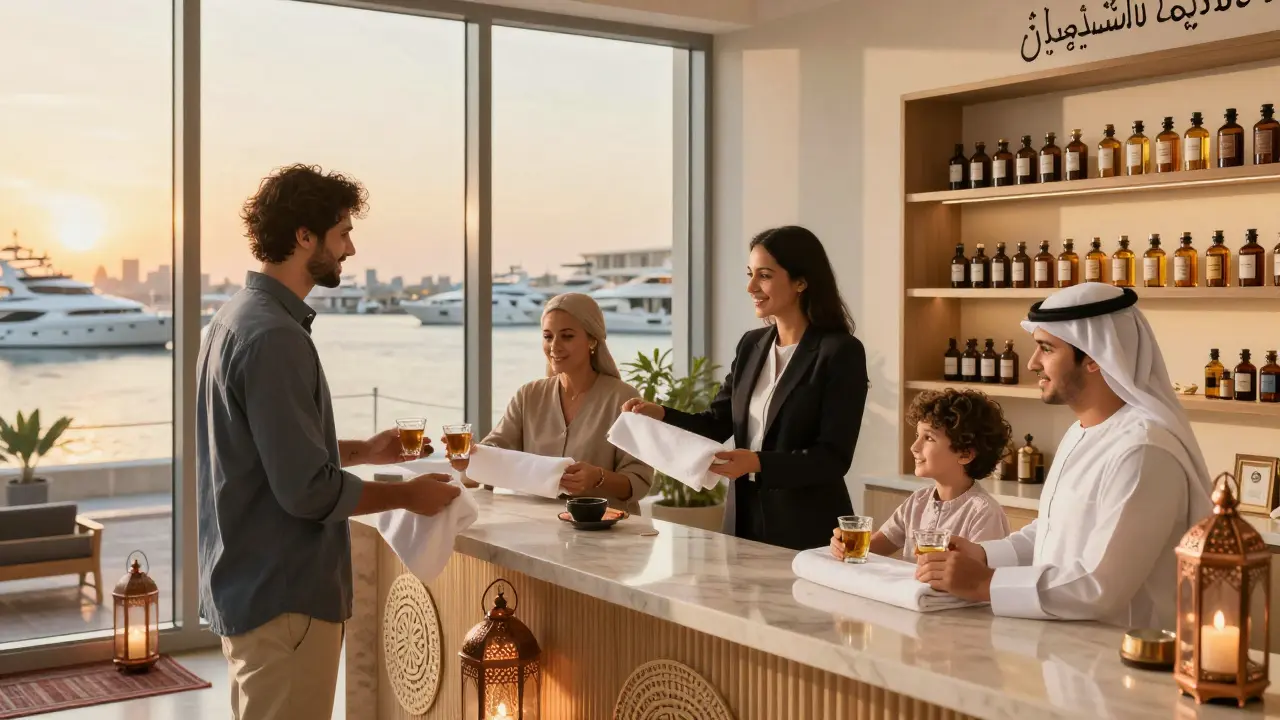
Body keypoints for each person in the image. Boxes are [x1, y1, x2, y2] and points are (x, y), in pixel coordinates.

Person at [196, 164, 462, 720]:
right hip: (286, 597)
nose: (350, 248)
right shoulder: (274, 338)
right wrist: (410, 497)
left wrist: (364, 450)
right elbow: (307, 491)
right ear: (304, 236)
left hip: (247, 587)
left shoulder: (232, 320)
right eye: (342, 233)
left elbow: (266, 453)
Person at [915, 283, 1213, 630]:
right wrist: (983, 554)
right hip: (1068, 645)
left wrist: (985, 583)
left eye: (1046, 349)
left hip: (1122, 653)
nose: (1033, 363)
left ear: (1094, 357)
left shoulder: (1143, 451)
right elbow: (1054, 532)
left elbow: (1100, 586)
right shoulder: (1080, 432)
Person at [624, 225, 869, 551]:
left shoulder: (840, 352)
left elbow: (833, 458)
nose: (751, 286)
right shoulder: (751, 345)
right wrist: (660, 414)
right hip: (742, 519)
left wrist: (757, 463)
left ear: (801, 282)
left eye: (764, 276)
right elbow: (715, 423)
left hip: (807, 526)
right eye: (750, 274)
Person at [453, 293, 653, 514]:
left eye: (567, 336)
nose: (554, 346)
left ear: (592, 340)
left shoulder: (623, 398)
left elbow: (639, 481)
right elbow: (495, 451)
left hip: (606, 528)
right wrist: (470, 457)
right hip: (538, 526)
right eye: (548, 337)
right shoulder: (528, 395)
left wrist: (598, 478)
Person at [829, 388, 1011, 560]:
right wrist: (844, 544)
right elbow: (873, 547)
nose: (914, 447)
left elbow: (980, 576)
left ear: (965, 454)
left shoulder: (984, 513)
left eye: (929, 438)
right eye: (918, 436)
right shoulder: (918, 502)